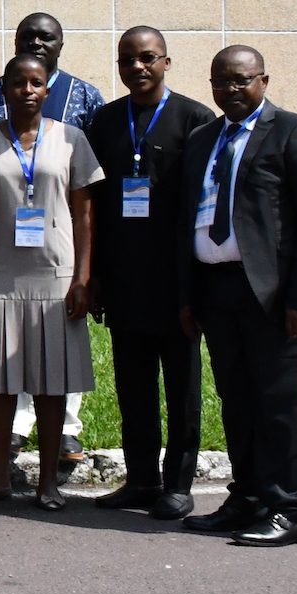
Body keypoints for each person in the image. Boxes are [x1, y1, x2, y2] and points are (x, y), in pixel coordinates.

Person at [177, 46, 297, 548]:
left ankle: (289, 510)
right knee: (237, 399)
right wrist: (188, 297)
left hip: (272, 297)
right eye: (220, 82)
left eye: (241, 81)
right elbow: (188, 219)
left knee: (279, 402)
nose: (230, 91)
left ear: (263, 80)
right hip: (216, 289)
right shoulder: (204, 138)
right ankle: (246, 497)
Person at [0, 55, 106, 511]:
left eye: (37, 83)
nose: (27, 90)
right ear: (2, 90)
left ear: (48, 90)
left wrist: (83, 276)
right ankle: (1, 476)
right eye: (18, 83)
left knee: (51, 381)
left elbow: (84, 213)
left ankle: (47, 482)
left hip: (55, 274)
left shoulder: (71, 138)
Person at [88, 26, 217, 519]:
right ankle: (140, 479)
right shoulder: (105, 120)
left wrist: (194, 287)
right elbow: (94, 204)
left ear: (166, 61)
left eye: (147, 58)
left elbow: (201, 205)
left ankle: (178, 484)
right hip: (124, 278)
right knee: (133, 386)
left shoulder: (195, 119)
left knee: (181, 386)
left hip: (176, 280)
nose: (136, 68)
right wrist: (96, 276)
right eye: (127, 60)